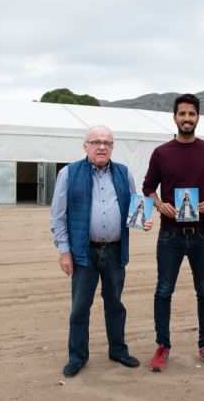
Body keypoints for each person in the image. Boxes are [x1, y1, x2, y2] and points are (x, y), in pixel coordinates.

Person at [50, 125, 152, 378]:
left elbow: (132, 206)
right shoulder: (69, 173)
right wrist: (64, 251)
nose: (102, 146)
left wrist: (142, 220)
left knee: (115, 304)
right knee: (80, 308)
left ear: (112, 147)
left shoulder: (123, 172)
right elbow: (58, 216)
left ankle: (118, 350)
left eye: (107, 142)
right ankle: (77, 356)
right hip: (84, 252)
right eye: (95, 142)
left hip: (115, 251)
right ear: (85, 146)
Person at [142, 93, 204, 372]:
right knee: (163, 291)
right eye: (182, 114)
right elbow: (148, 187)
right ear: (174, 117)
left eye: (191, 114)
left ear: (198, 117)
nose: (187, 118)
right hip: (170, 236)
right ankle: (162, 346)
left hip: (203, 233)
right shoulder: (161, 153)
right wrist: (159, 204)